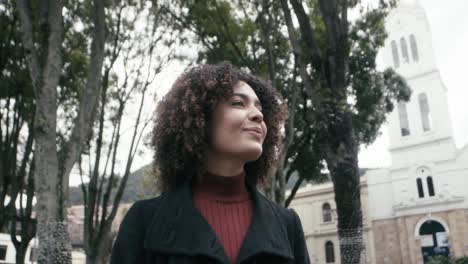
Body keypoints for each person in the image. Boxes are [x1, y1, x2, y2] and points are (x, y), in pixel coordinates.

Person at [110, 62, 311, 264]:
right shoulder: (144, 221)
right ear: (201, 117)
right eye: (238, 103)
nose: (258, 115)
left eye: (259, 108)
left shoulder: (288, 225)